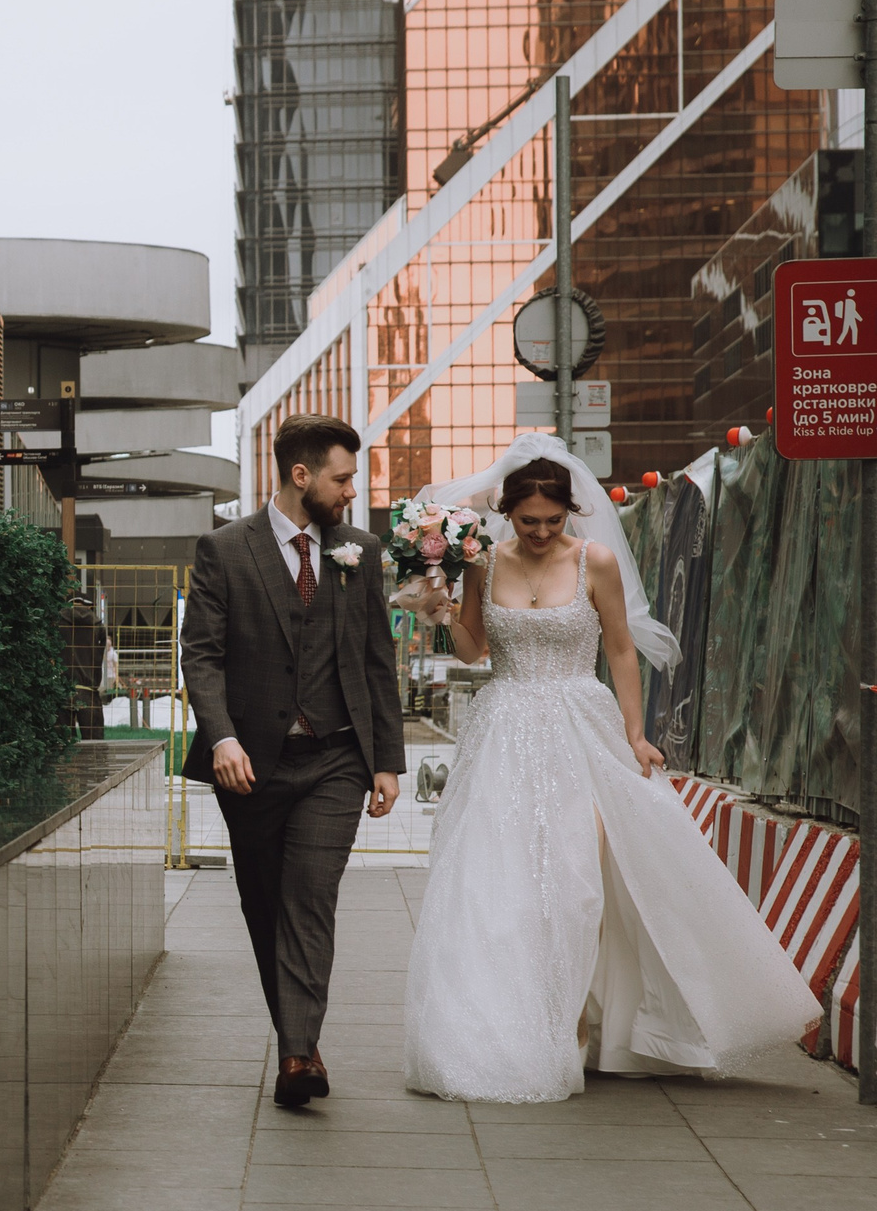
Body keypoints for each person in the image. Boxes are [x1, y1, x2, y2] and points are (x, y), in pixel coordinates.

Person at [402, 434, 818, 1102]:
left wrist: (635, 731)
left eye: (552, 520)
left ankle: (576, 1025)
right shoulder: (482, 563)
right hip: (506, 727)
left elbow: (622, 649)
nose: (540, 533)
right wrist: (443, 609)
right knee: (500, 881)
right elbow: (476, 650)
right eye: (528, 521)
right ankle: (509, 1020)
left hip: (580, 726)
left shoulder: (594, 561)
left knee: (577, 876)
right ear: (507, 513)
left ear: (571, 513)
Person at [181, 413, 405, 1109]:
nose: (351, 491)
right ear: (300, 475)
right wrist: (221, 737)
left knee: (309, 894)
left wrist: (386, 759)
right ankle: (297, 1037)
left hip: (336, 756)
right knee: (263, 904)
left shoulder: (360, 551)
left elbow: (376, 661)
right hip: (250, 763)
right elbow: (204, 654)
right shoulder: (223, 549)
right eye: (342, 478)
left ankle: (299, 1053)